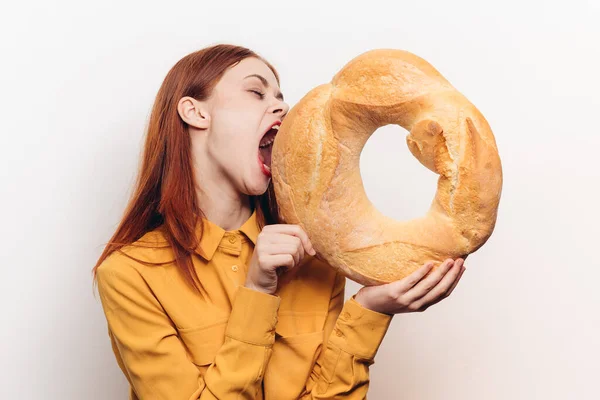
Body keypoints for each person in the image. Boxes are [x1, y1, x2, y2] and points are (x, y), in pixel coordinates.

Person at [92, 43, 466, 400]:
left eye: (280, 96)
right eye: (257, 93)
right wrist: (257, 291)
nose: (282, 107)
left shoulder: (318, 261)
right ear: (195, 112)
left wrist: (371, 309)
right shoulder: (130, 275)